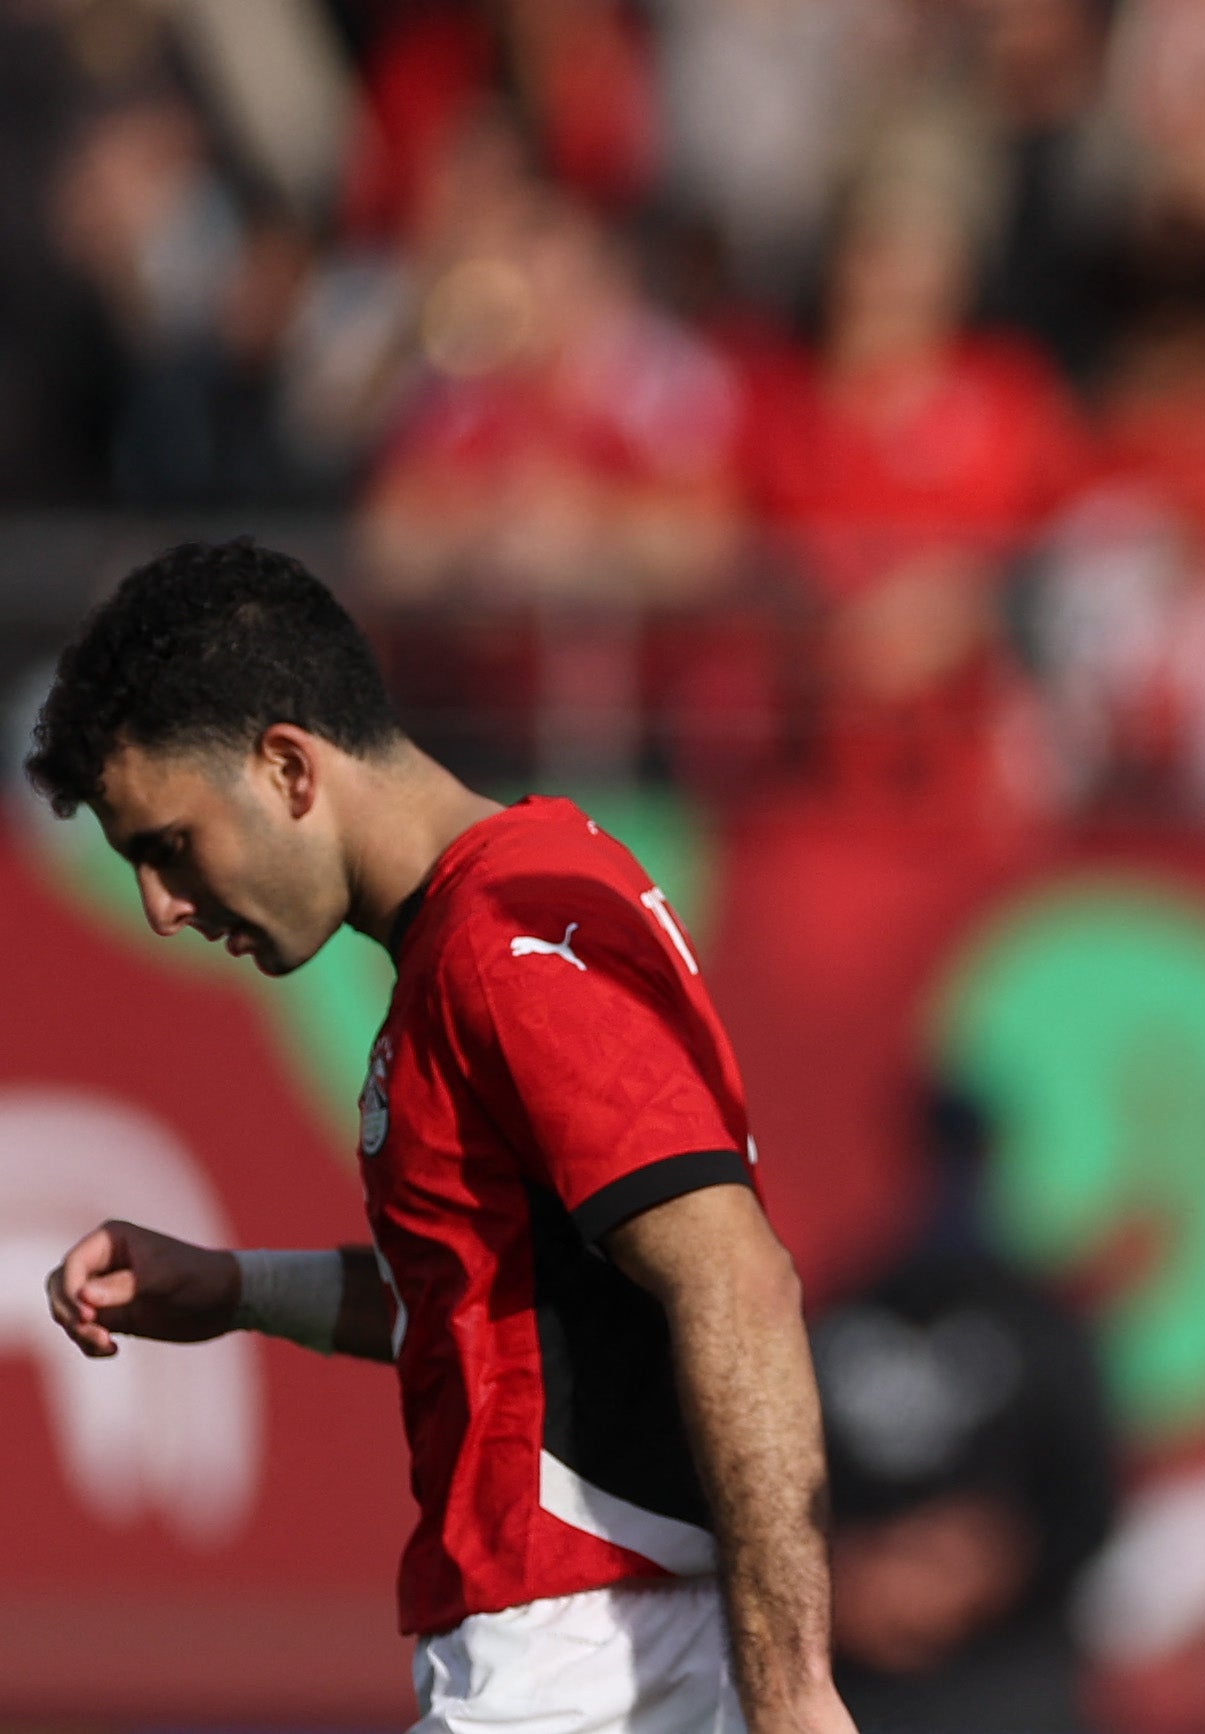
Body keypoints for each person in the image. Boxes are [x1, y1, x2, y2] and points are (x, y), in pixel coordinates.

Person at [30, 540, 856, 1734]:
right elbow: (508, 1311)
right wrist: (230, 1289)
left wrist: (792, 1695)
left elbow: (734, 1278)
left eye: (168, 846)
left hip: (591, 1658)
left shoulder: (511, 942)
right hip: (590, 1652)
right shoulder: (477, 931)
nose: (164, 908)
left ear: (288, 768)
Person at [809, 1083, 1118, 1732]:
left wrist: (987, 1561)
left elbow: (1090, 1501)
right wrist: (848, 1574)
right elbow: (761, 1487)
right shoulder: (834, 1315)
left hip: (1006, 1681)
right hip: (855, 1685)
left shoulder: (1044, 1324)